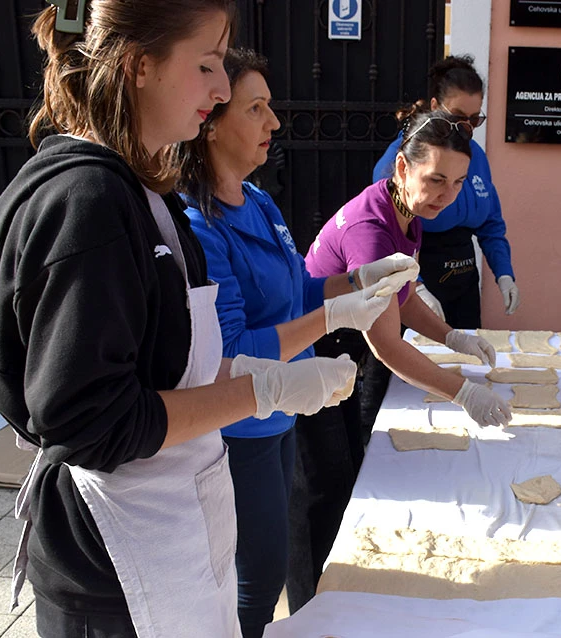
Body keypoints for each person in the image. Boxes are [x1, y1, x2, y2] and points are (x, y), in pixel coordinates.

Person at [0, 4, 358, 635]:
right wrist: (263, 390)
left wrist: (268, 374)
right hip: (114, 569)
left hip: (170, 539)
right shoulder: (89, 205)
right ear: (139, 65)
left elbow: (178, 363)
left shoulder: (148, 196)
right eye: (207, 64)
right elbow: (91, 423)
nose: (221, 88)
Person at [176, 48, 415, 636]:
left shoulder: (258, 201)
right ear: (211, 123)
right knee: (253, 581)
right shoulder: (199, 223)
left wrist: (357, 280)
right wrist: (333, 316)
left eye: (270, 106)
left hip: (283, 415)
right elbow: (232, 351)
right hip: (239, 431)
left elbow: (297, 289)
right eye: (255, 108)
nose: (274, 122)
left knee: (272, 565)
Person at [307, 108, 511, 439]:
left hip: (342, 349)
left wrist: (452, 337)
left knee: (353, 452)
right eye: (436, 180)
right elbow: (386, 345)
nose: (448, 196)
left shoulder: (405, 209)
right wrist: (464, 393)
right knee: (334, 467)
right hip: (312, 354)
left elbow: (403, 297)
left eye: (458, 182)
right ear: (403, 167)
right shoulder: (372, 233)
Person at [372, 55, 519, 328]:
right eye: (458, 117)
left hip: (463, 282)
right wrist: (415, 286)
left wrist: (504, 274)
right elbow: (384, 234)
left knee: (466, 351)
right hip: (416, 278)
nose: (466, 127)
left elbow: (491, 223)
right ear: (434, 106)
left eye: (474, 119)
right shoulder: (402, 159)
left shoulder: (476, 157)